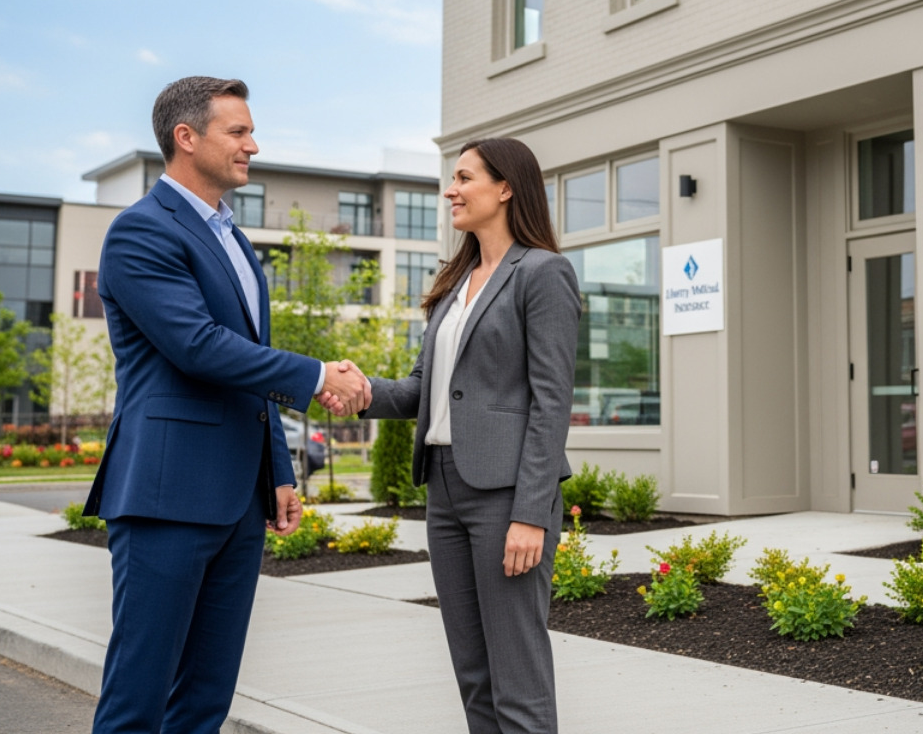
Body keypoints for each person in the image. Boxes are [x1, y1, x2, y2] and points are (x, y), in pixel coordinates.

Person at [85, 76, 371, 734]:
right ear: (186, 138)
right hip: (166, 495)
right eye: (237, 132)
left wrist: (277, 469)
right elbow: (199, 348)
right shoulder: (139, 232)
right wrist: (319, 372)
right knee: (139, 696)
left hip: (239, 499)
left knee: (206, 699)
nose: (253, 145)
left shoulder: (235, 241)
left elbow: (246, 366)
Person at [359, 136, 580, 734]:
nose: (451, 191)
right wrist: (353, 389)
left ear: (505, 187)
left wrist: (531, 512)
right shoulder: (456, 281)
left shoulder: (542, 272)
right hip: (445, 490)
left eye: (464, 178)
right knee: (474, 673)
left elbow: (551, 402)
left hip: (507, 494)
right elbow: (420, 390)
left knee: (518, 673)